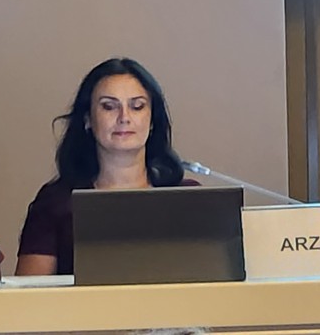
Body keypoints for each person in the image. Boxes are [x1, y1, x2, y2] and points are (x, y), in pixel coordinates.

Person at [15, 57, 194, 276]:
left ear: (152, 121)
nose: (124, 117)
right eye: (109, 107)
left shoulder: (189, 199)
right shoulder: (57, 202)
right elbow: (30, 292)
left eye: (137, 106)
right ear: (88, 119)